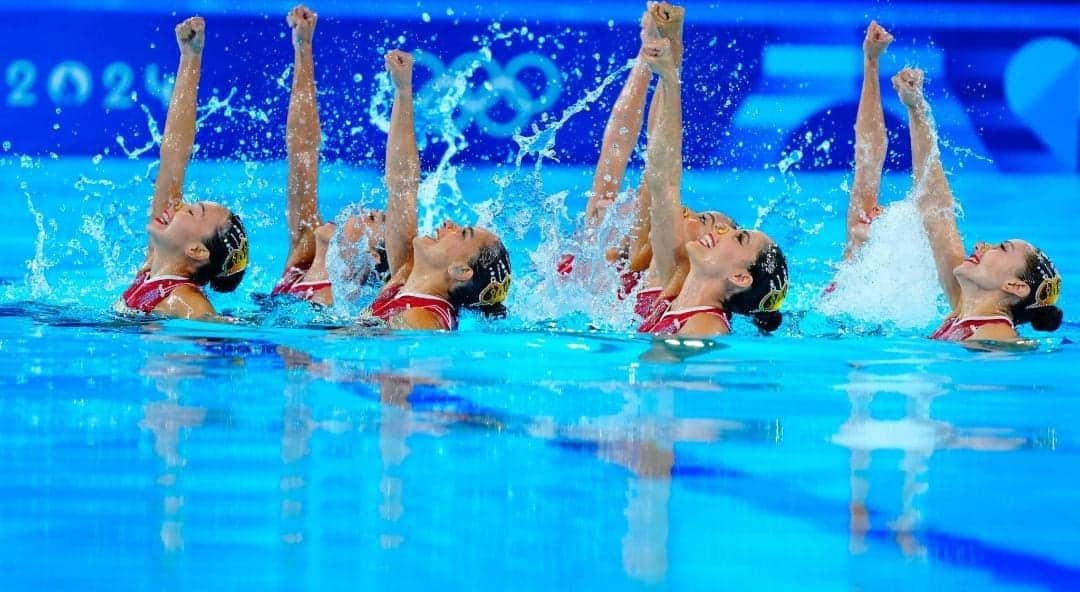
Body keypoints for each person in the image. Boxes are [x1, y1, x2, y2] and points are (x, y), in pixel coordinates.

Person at [561, 2, 737, 320]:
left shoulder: (664, 275)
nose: (688, 213)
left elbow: (658, 162)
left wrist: (669, 56)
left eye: (704, 222)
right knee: (603, 202)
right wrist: (649, 54)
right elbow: (616, 148)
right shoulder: (597, 248)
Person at [893, 67, 1063, 342]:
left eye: (1002, 248)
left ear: (1015, 286)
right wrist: (915, 108)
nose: (982, 245)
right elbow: (935, 210)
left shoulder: (997, 340)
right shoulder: (964, 307)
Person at [636, 36, 788, 337]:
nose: (724, 231)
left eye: (740, 237)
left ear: (739, 277)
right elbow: (662, 179)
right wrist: (668, 77)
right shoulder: (672, 297)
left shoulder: (707, 328)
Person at [365, 50, 512, 330]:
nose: (448, 224)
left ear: (460, 271)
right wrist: (404, 90)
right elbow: (402, 186)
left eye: (462, 232)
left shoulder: (427, 321)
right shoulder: (405, 277)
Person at [116, 16, 249, 319]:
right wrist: (190, 56)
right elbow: (174, 153)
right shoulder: (153, 269)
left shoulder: (188, 304)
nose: (178, 207)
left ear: (197, 251)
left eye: (191, 212)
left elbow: (217, 344)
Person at [271, 5, 387, 307]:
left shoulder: (336, 305)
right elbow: (302, 151)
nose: (357, 212)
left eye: (372, 218)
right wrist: (303, 47)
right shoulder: (303, 258)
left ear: (371, 257)